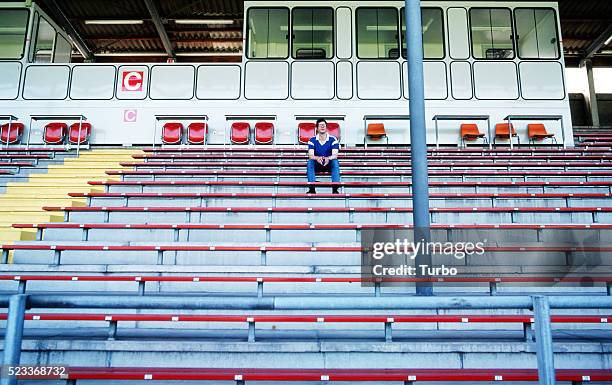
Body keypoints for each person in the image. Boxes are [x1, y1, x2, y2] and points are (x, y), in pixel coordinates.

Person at [307, 118, 341, 194]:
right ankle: (312, 188)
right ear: (317, 128)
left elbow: (335, 155)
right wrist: (317, 158)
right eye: (320, 125)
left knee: (335, 162)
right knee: (310, 162)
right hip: (317, 164)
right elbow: (310, 155)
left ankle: (335, 188)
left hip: (328, 164)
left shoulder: (333, 139)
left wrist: (328, 158)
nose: (322, 127)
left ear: (326, 127)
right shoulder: (312, 140)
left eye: (324, 125)